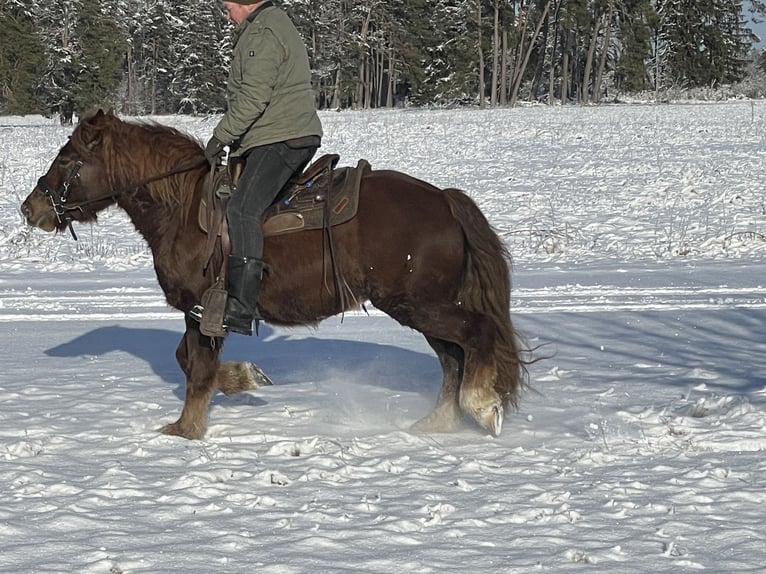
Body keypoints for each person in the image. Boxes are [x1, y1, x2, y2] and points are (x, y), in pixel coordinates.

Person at [193, 0, 322, 336]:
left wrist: (220, 138)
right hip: (275, 133)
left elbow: (253, 96)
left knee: (243, 208)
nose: (227, 14)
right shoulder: (263, 27)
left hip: (283, 135)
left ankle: (242, 305)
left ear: (247, 4)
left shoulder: (263, 32)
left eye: (228, 7)